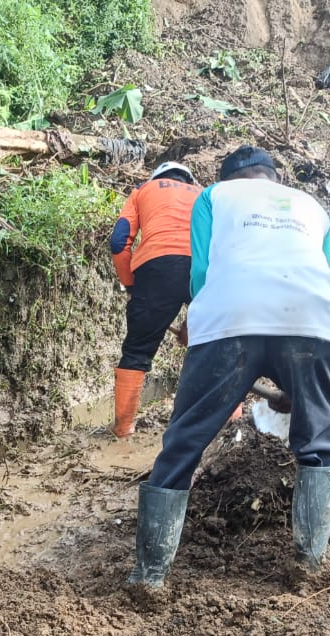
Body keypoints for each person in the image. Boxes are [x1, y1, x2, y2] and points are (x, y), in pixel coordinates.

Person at [126, 146, 330, 592]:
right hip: (314, 321)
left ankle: (149, 577)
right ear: (274, 178)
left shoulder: (213, 197)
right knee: (320, 440)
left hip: (230, 319)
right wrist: (295, 384)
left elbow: (202, 272)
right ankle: (309, 564)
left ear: (228, 177)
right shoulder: (312, 207)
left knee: (185, 440)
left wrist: (201, 322)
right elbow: (325, 272)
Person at [108, 160, 202, 437]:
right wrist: (192, 322)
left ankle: (123, 429)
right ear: (189, 179)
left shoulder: (143, 190)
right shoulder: (204, 194)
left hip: (157, 267)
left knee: (137, 352)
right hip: (204, 269)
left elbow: (119, 240)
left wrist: (130, 284)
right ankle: (230, 421)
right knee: (215, 344)